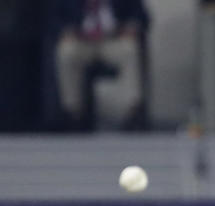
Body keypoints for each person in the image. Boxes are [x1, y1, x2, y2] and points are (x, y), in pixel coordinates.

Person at [53, 0, 149, 130]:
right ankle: (72, 112)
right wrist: (66, 31)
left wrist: (132, 27)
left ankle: (133, 111)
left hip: (113, 40)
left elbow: (142, 16)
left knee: (129, 49)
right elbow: (55, 18)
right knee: (66, 52)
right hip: (81, 40)